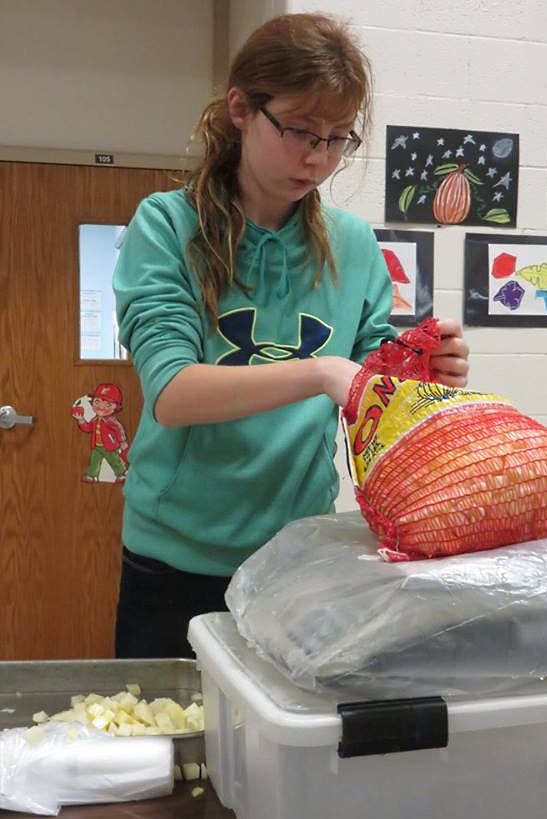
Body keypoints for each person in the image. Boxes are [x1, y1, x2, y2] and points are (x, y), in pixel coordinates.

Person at [112, 12, 469, 658]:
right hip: (174, 562)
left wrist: (423, 372)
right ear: (242, 109)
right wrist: (322, 371)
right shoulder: (166, 227)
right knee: (176, 745)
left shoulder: (354, 247)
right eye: (301, 131)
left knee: (284, 748)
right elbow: (172, 391)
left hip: (295, 559)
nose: (320, 157)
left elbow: (370, 390)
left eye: (338, 138)